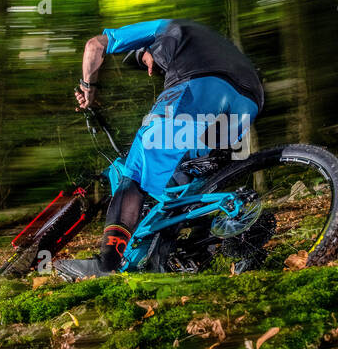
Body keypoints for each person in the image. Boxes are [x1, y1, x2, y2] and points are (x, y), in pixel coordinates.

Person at [54, 18, 264, 281]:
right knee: (185, 181)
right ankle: (191, 251)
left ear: (147, 48)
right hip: (248, 100)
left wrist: (89, 88)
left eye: (143, 61)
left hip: (199, 84)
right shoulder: (205, 38)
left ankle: (106, 266)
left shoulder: (164, 27)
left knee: (136, 173)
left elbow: (94, 46)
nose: (150, 70)